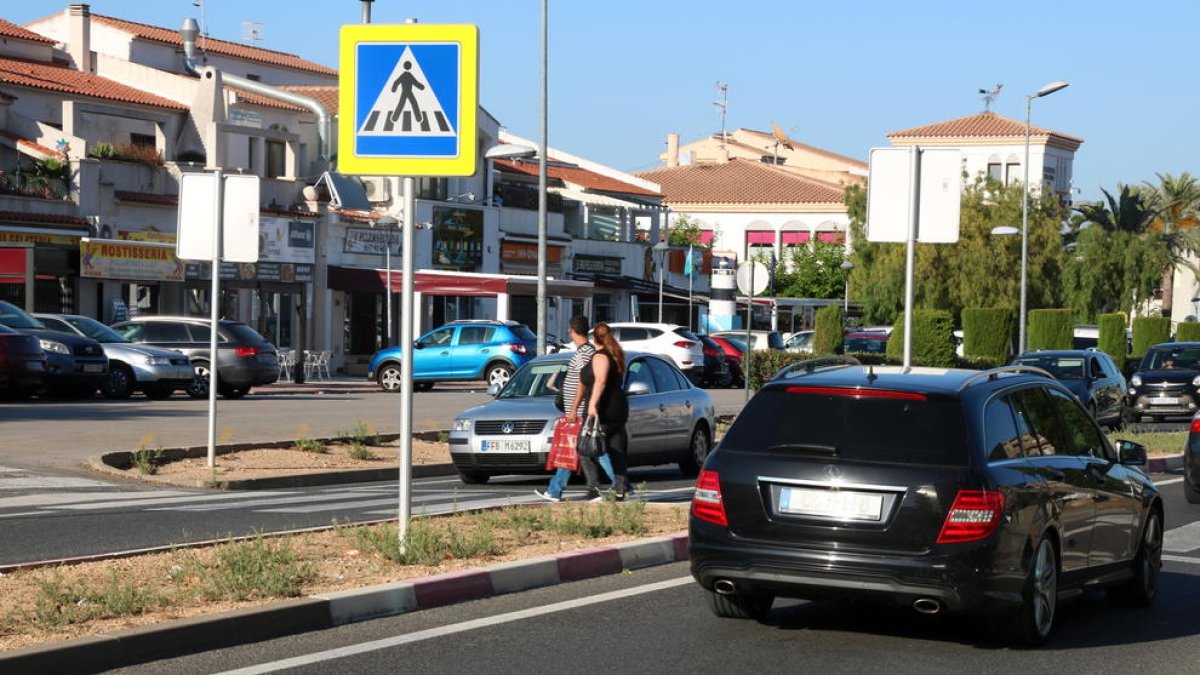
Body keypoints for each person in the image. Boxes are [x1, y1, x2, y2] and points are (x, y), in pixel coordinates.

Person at [536, 315, 613, 502]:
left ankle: (621, 485)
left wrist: (574, 408)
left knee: (596, 450)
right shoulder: (584, 352)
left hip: (581, 412)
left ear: (571, 331)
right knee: (576, 451)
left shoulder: (585, 353)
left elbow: (584, 382)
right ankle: (556, 490)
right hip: (579, 411)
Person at [581, 321, 630, 501]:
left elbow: (600, 381)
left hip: (604, 408)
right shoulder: (615, 354)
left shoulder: (600, 356)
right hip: (618, 407)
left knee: (586, 447)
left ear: (595, 338)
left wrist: (592, 404)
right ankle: (620, 489)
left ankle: (594, 488)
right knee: (616, 448)